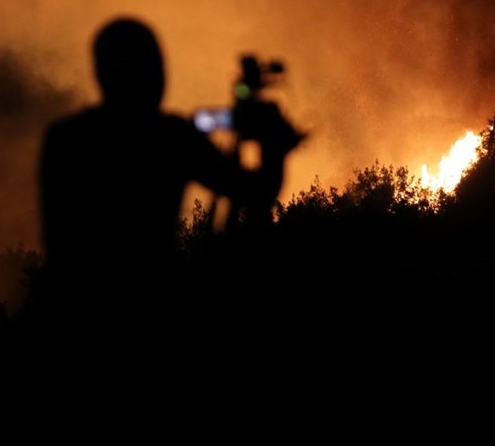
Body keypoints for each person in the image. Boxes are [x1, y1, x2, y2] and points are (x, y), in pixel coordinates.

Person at [39, 18, 300, 293]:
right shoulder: (172, 135)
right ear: (155, 73)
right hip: (158, 297)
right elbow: (256, 192)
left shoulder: (65, 138)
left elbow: (56, 244)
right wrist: (274, 149)